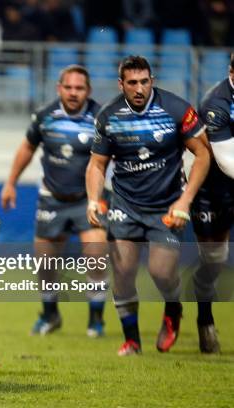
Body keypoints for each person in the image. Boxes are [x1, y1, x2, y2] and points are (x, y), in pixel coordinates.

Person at [86, 56, 210, 355]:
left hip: (167, 205)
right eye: (132, 82)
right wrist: (93, 198)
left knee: (161, 272)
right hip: (125, 205)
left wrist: (185, 199)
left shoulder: (176, 109)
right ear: (121, 84)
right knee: (123, 271)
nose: (139, 88)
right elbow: (97, 165)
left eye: (144, 81)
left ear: (151, 80)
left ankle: (173, 308)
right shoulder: (109, 115)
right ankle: (132, 341)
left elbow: (203, 155)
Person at [1, 65, 109, 338]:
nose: (73, 93)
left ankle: (96, 319)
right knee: (46, 264)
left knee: (96, 257)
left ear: (88, 91)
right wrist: (11, 182)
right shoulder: (45, 116)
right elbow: (27, 147)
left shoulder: (101, 118)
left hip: (88, 200)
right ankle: (50, 315)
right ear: (59, 88)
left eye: (79, 88)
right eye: (68, 87)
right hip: (52, 199)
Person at [190, 52, 234, 353]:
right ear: (232, 71)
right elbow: (227, 161)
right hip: (211, 190)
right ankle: (204, 319)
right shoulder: (215, 104)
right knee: (214, 261)